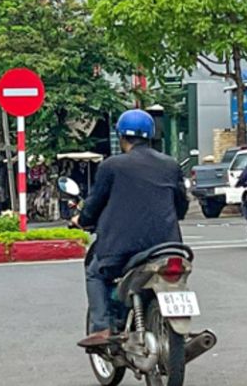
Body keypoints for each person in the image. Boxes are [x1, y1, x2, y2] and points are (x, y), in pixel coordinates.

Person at [74, 109, 189, 349]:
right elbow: (181, 205)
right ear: (150, 136)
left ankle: (101, 327)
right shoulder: (170, 164)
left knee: (95, 272)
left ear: (122, 137)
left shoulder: (111, 166)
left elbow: (94, 205)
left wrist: (81, 219)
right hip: (168, 247)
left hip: (121, 249)